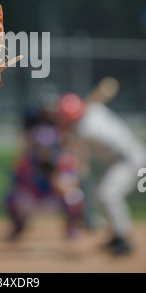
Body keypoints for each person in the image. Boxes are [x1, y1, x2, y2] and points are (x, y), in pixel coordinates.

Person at [55, 93, 146, 256]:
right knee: (101, 195)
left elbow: (73, 144)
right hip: (123, 158)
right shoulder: (94, 109)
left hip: (129, 159)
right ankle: (115, 235)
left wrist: (67, 133)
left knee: (107, 195)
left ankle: (122, 239)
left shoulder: (86, 129)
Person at [5, 98, 85, 241]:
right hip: (34, 198)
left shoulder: (63, 161)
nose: (44, 149)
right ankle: (19, 226)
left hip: (53, 198)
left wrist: (61, 182)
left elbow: (75, 180)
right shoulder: (28, 160)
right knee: (11, 197)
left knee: (74, 196)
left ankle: (71, 229)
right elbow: (16, 180)